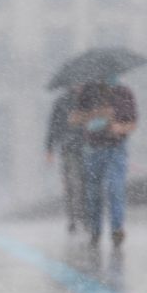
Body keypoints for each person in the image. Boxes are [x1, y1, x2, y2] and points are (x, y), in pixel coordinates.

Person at [70, 79, 138, 247]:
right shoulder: (88, 91)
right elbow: (74, 118)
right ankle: (95, 230)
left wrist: (119, 127)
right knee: (93, 192)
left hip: (116, 148)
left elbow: (132, 122)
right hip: (93, 149)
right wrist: (98, 114)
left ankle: (117, 229)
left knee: (115, 188)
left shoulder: (124, 92)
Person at [46, 86, 86, 232]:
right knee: (71, 183)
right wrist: (50, 148)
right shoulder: (62, 102)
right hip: (68, 148)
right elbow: (53, 126)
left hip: (88, 146)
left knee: (85, 183)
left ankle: (84, 214)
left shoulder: (90, 99)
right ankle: (73, 218)